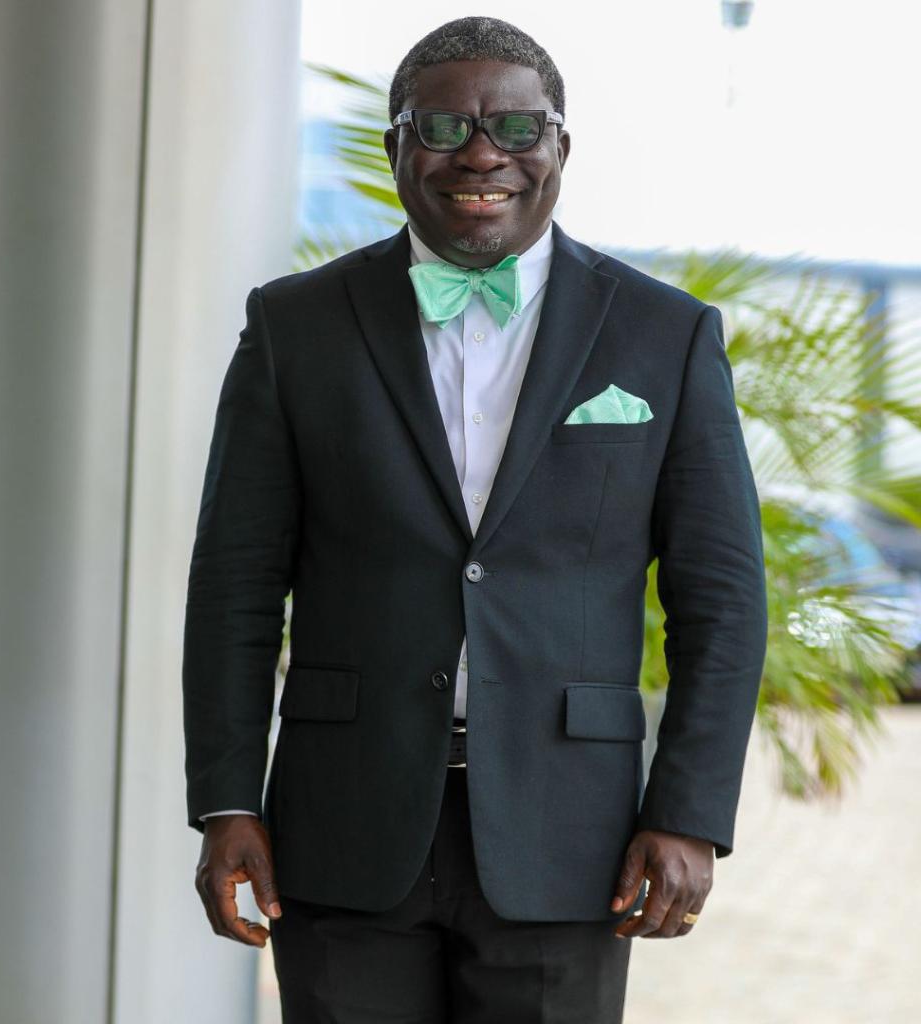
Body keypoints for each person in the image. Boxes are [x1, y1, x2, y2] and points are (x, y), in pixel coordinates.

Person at [182, 15, 768, 1023]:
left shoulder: (664, 336)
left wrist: (688, 811)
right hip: (343, 821)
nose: (483, 155)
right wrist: (228, 799)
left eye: (517, 129)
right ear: (396, 147)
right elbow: (235, 585)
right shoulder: (295, 325)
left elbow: (719, 596)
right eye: (444, 129)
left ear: (561, 147)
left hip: (568, 832)